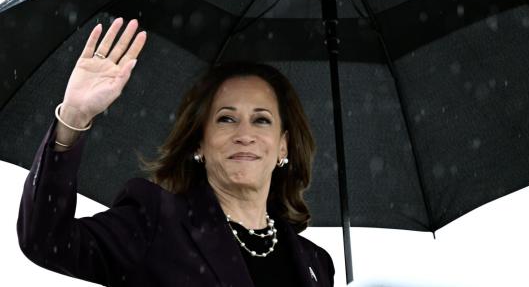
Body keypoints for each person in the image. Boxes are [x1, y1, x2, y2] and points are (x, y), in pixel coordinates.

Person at [17, 17, 335, 287]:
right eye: (226, 118)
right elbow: (47, 241)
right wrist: (74, 117)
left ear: (283, 145)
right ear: (199, 142)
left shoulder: (316, 263)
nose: (244, 134)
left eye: (261, 120)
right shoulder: (154, 222)